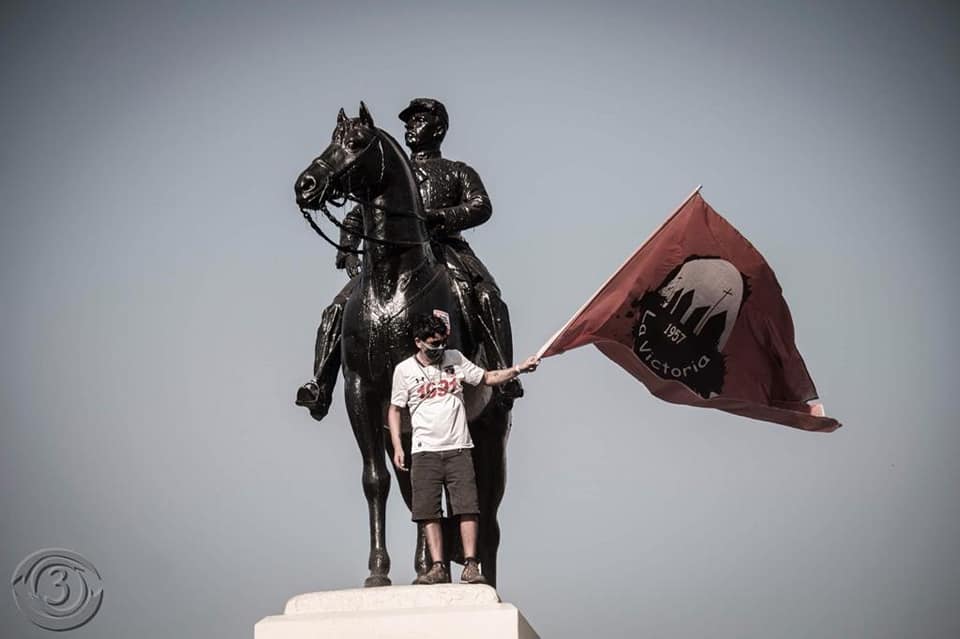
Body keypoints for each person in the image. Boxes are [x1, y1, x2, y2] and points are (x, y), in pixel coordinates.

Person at [296, 98, 520, 419]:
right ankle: (319, 384)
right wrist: (346, 249)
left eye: (419, 120)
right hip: (392, 258)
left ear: (438, 129)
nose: (410, 127)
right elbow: (355, 217)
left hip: (447, 249)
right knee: (337, 308)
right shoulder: (392, 172)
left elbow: (480, 205)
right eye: (408, 122)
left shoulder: (457, 171)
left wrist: (440, 218)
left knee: (487, 296)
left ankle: (503, 376)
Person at [388, 313, 539, 585]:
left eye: (442, 343)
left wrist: (517, 369)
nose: (438, 349)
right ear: (418, 342)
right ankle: (437, 566)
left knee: (467, 507)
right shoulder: (404, 370)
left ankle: (471, 564)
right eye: (433, 344)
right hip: (424, 451)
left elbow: (486, 377)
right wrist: (398, 446)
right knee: (428, 512)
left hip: (458, 447)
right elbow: (395, 409)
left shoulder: (454, 358)